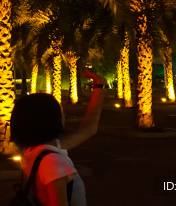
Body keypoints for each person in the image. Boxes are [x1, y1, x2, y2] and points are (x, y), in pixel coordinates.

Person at [10, 69, 105, 206]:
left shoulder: (36, 151)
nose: (63, 115)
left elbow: (88, 129)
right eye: (60, 111)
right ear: (49, 120)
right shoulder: (53, 161)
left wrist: (99, 86)